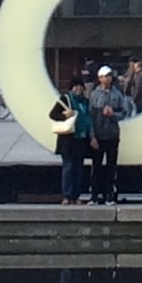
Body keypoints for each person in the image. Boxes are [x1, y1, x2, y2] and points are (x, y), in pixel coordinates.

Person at [86, 65, 134, 205]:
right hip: (99, 135)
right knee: (96, 166)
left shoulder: (117, 94)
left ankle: (109, 195)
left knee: (111, 166)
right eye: (104, 76)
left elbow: (124, 112)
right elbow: (90, 117)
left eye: (108, 76)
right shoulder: (94, 95)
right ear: (99, 78)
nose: (106, 79)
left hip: (112, 135)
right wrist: (92, 136)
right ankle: (94, 195)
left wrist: (113, 114)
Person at [49, 77, 91, 206]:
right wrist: (64, 115)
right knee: (68, 167)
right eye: (75, 86)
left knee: (78, 169)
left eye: (80, 86)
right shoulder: (65, 100)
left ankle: (76, 195)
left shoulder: (85, 101)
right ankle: (67, 196)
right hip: (68, 140)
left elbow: (88, 119)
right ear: (71, 88)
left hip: (81, 139)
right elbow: (52, 114)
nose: (78, 89)